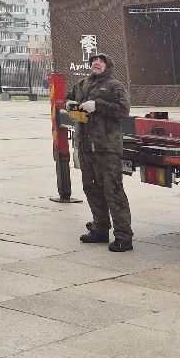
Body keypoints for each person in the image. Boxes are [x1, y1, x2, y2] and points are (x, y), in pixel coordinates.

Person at [66, 52, 133, 251]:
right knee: (91, 188)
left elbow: (123, 110)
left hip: (106, 147)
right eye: (94, 60)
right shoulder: (81, 85)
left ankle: (124, 236)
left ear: (108, 66)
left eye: (101, 61)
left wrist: (98, 105)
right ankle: (100, 228)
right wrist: (69, 104)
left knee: (112, 191)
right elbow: (68, 99)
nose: (97, 63)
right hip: (86, 146)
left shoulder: (115, 86)